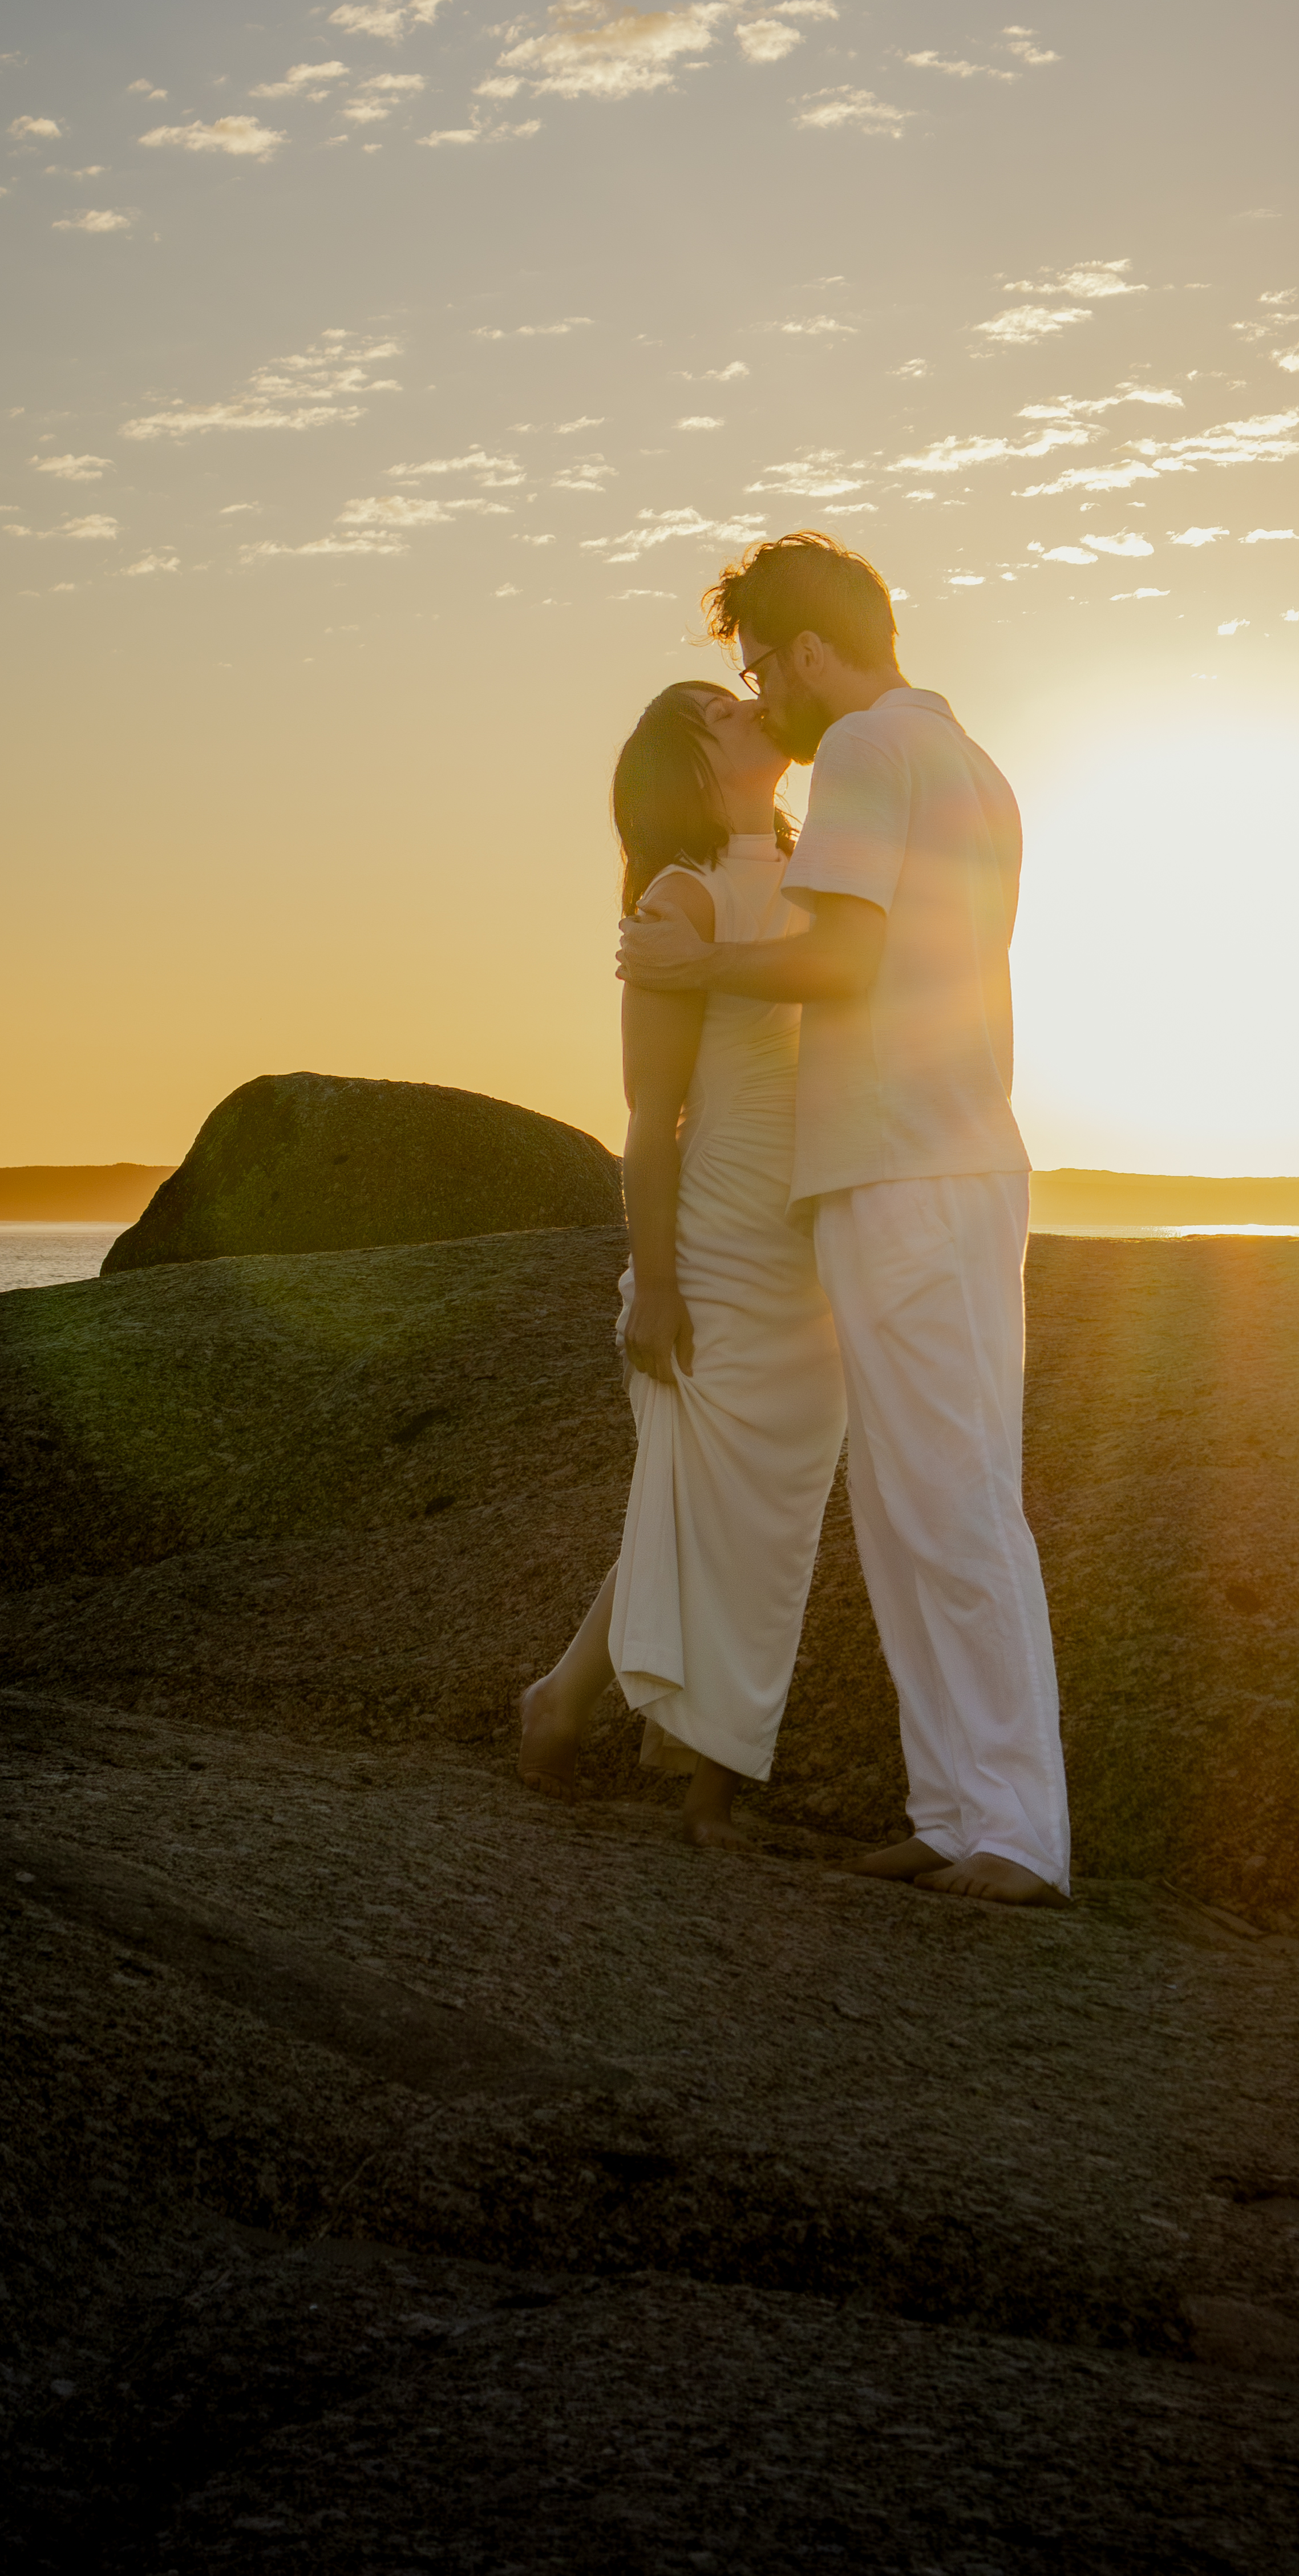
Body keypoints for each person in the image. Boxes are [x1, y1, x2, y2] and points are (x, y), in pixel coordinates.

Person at [618, 531, 1070, 1906]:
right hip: (938, 1160)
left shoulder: (872, 749)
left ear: (809, 650)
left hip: (905, 1168)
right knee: (914, 1505)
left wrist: (706, 960)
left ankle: (1010, 1836)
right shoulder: (968, 758)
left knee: (949, 1503)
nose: (766, 697)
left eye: (761, 663)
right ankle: (955, 1813)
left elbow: (847, 956)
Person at [519, 679, 847, 1845]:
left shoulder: (822, 878)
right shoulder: (682, 901)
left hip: (812, 1238)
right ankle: (710, 1798)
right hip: (718, 1237)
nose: (750, 708)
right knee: (714, 1502)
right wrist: (653, 1284)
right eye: (719, 712)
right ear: (691, 770)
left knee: (751, 1509)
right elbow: (649, 1116)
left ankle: (563, 1704)